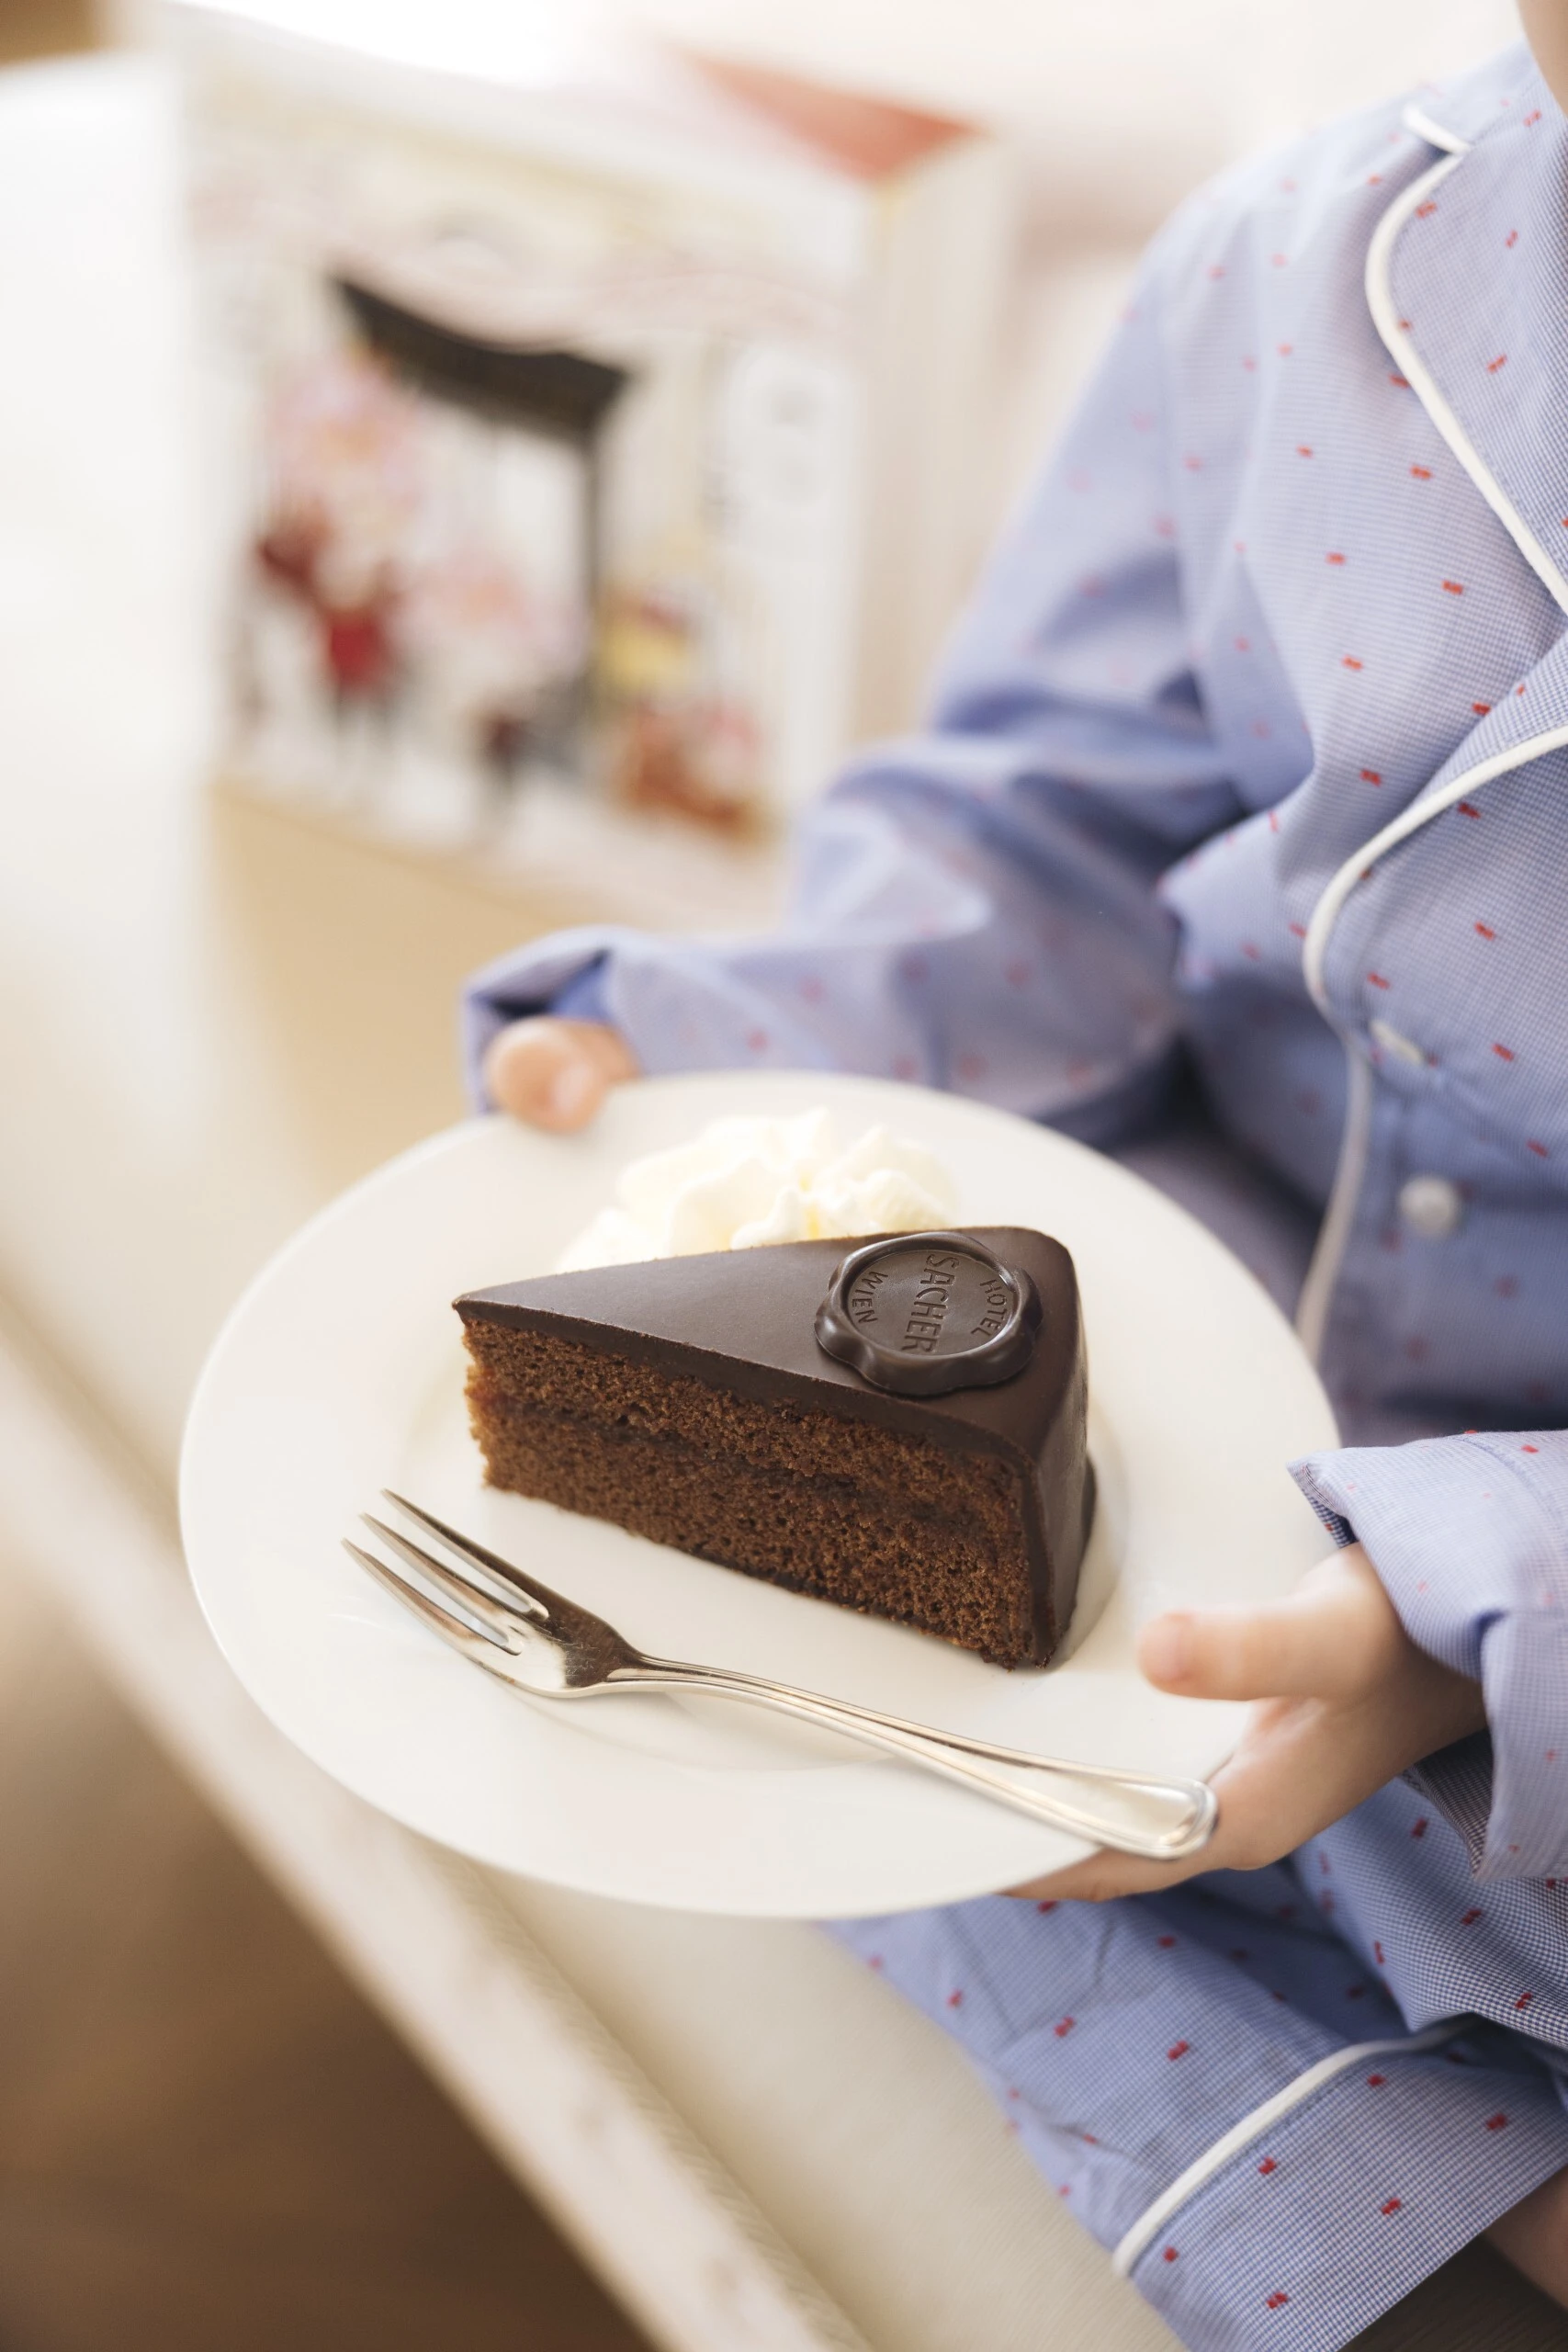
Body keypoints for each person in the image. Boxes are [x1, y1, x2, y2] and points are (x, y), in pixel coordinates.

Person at [456, 22, 1568, 2346]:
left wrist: (1465, 1617)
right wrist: (717, 1064)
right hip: (1203, 1259)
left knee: (1382, 1803)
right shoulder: (1294, 268)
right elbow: (1032, 820)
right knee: (783, 1652)